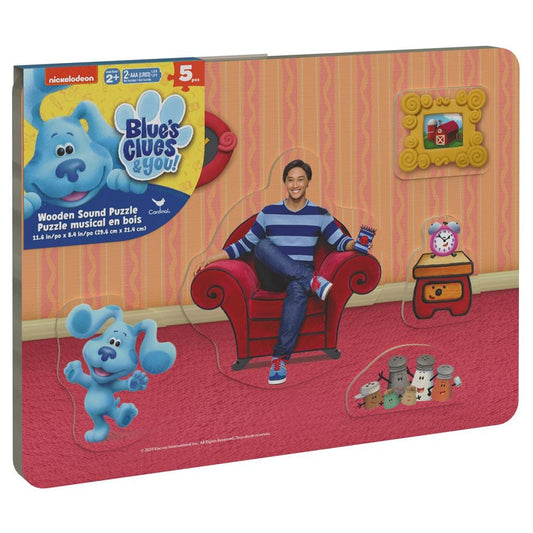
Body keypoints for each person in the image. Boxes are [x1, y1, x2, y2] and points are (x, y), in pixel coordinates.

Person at [196, 159, 358, 385]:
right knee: (262, 245)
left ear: (308, 183)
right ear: (285, 183)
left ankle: (279, 358)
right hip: (273, 276)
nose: (295, 185)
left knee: (298, 289)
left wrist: (358, 245)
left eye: (300, 180)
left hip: (299, 277)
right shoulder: (268, 213)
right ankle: (311, 281)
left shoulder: (320, 214)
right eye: (290, 180)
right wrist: (214, 257)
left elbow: (340, 241)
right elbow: (245, 245)